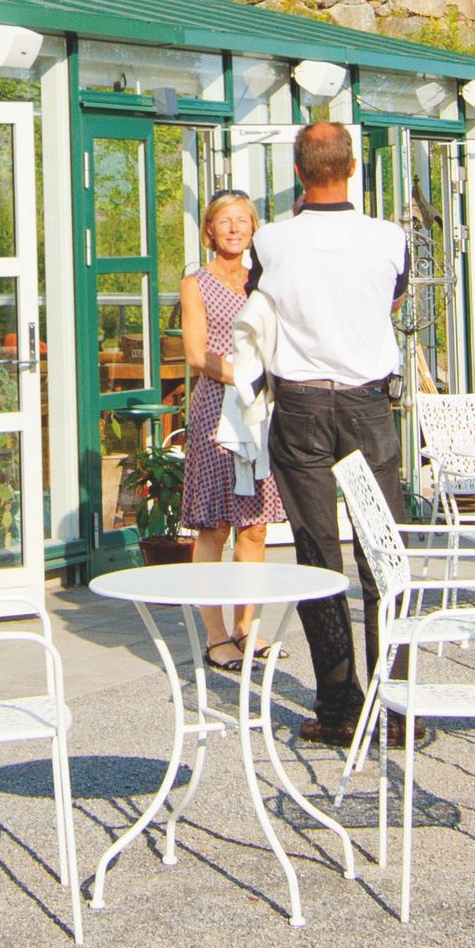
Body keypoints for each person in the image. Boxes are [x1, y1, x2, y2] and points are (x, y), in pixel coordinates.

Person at [242, 121, 409, 744]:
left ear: (297, 172)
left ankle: (339, 707)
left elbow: (261, 304)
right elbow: (390, 300)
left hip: (302, 405)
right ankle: (395, 708)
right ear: (353, 167)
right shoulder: (389, 237)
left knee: (317, 555)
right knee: (383, 555)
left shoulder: (272, 240)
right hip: (367, 403)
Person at [175, 190, 270, 666]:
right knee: (214, 525)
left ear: (253, 229)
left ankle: (246, 628)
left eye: (242, 221)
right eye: (224, 221)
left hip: (259, 412)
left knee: (255, 527)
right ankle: (215, 635)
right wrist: (246, 377)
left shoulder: (264, 282)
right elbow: (197, 355)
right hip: (217, 409)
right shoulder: (196, 283)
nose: (234, 229)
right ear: (209, 231)